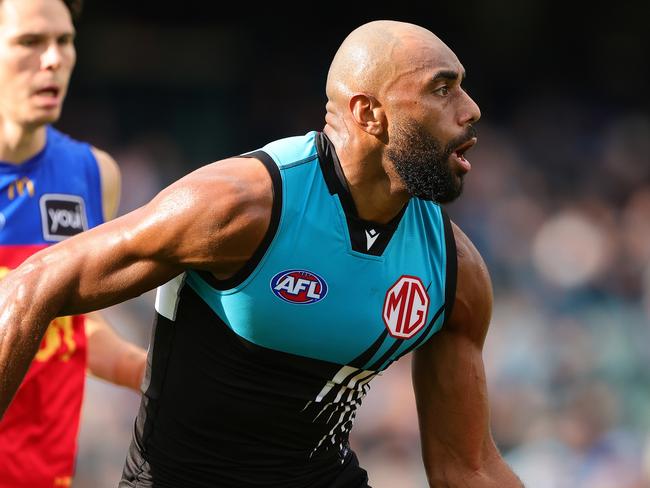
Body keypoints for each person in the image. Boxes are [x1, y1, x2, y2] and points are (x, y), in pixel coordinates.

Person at [0, 19, 524, 487]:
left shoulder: (455, 271)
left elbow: (467, 469)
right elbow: (34, 283)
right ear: (370, 114)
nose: (471, 109)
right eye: (441, 88)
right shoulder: (240, 206)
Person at [0, 1, 147, 487]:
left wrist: (152, 374)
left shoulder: (93, 174)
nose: (53, 59)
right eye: (30, 42)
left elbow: (76, 331)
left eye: (64, 41)